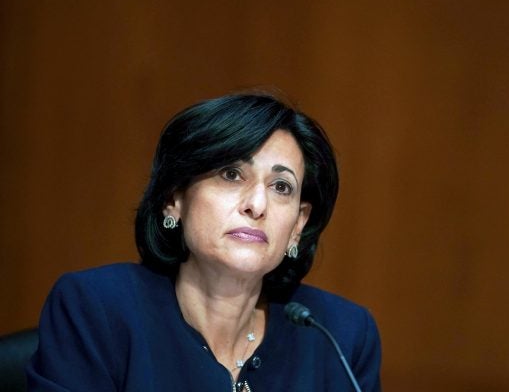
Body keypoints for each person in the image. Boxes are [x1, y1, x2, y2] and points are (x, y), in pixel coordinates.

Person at [27, 92, 382, 391]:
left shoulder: (341, 336)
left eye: (281, 187)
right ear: (174, 199)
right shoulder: (96, 310)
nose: (257, 205)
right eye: (231, 174)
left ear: (298, 224)